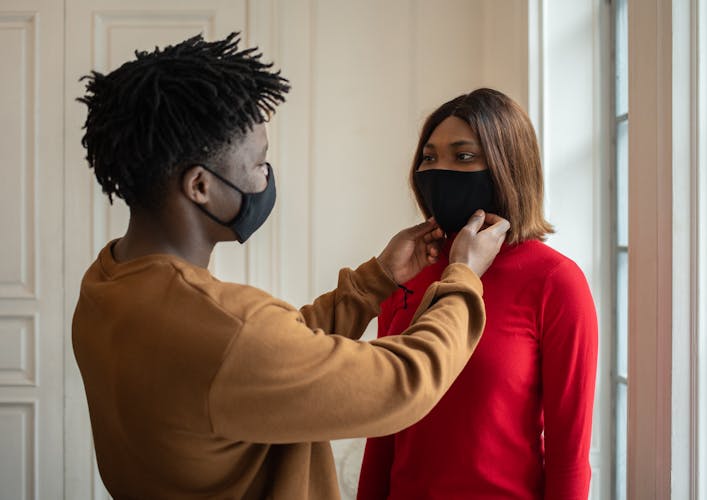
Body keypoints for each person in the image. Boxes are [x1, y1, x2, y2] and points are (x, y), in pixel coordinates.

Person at [71, 33, 511, 500]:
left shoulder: (106, 283)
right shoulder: (229, 331)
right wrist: (461, 275)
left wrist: (374, 280)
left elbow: (271, 357)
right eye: (259, 163)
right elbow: (404, 382)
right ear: (199, 186)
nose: (266, 177)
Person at [358, 88, 598, 500]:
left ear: (507, 165)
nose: (439, 169)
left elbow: (569, 455)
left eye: (463, 156)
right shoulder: (410, 270)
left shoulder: (556, 282)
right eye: (429, 157)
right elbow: (384, 428)